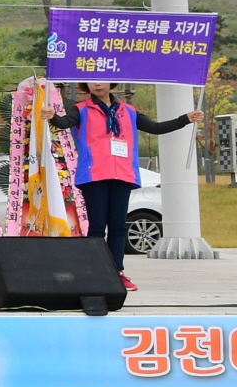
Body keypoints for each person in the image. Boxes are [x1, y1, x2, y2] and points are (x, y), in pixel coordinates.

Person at [50, 82, 201, 273]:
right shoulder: (81, 109)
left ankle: (117, 271)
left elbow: (156, 127)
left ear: (112, 83)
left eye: (102, 80)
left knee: (118, 227)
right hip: (94, 175)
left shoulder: (128, 111)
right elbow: (64, 123)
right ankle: (94, 271)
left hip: (122, 175)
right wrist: (52, 116)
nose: (97, 84)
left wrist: (185, 119)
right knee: (97, 227)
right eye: (92, 80)